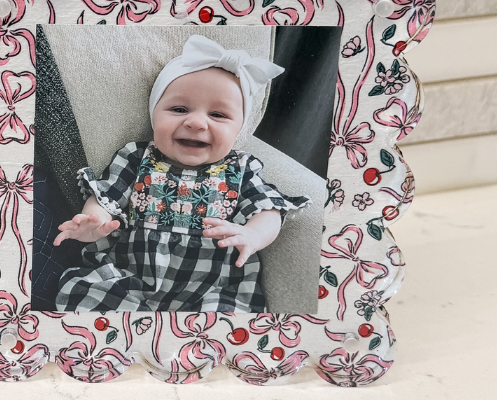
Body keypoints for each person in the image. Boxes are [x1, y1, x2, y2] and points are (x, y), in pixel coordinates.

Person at [53, 35, 307, 312]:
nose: (196, 122)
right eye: (179, 109)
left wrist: (254, 235)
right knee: (90, 297)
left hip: (213, 289)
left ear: (238, 130)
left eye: (219, 115)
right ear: (154, 115)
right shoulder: (137, 158)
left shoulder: (240, 169)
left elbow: (268, 209)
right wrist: (95, 221)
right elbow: (106, 198)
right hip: (132, 278)